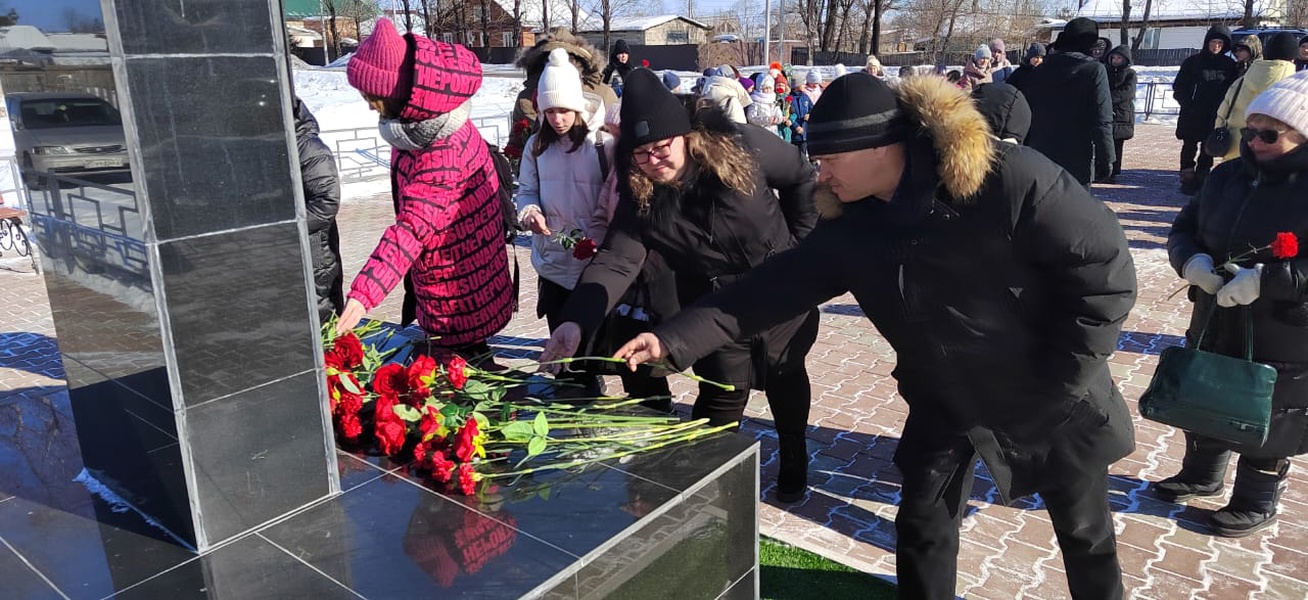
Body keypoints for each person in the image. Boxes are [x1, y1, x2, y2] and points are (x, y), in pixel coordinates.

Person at [613, 72, 1137, 599]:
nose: (820, 173)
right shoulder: (851, 227)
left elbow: (1105, 275)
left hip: (1051, 389)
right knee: (922, 528)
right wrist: (671, 341)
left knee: (1084, 531)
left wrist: (1060, 381)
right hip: (945, 395)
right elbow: (765, 290)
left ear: (881, 148)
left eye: (830, 160)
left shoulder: (1010, 179)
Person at [539, 69, 820, 503]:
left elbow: (801, 177)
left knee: (787, 377)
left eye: (661, 147)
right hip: (712, 308)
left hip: (781, 289)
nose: (653, 161)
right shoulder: (641, 194)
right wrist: (576, 321)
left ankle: (794, 459)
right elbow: (617, 259)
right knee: (722, 396)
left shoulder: (742, 148)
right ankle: (710, 486)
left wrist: (803, 245)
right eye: (640, 153)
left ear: (686, 136)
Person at [1159, 70, 1308, 537]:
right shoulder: (1225, 176)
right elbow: (1184, 228)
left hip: (1283, 329)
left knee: (1267, 413)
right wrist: (1192, 262)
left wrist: (1270, 279)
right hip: (1216, 309)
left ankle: (1256, 499)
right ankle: (1201, 473)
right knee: (1205, 392)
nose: (1256, 142)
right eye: (1251, 131)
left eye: (1270, 134)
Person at [335, 18, 514, 362]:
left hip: (460, 289)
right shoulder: (422, 122)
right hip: (452, 273)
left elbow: (413, 228)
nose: (369, 106)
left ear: (398, 93)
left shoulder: (441, 148)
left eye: (373, 98)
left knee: (468, 374)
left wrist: (363, 294)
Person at [515, 49, 612, 393]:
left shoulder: (602, 144)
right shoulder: (536, 147)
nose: (558, 118)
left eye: (564, 110)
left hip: (592, 257)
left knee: (590, 341)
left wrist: (603, 240)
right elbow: (526, 191)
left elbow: (614, 198)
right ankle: (570, 388)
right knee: (561, 338)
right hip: (553, 259)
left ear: (578, 106)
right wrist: (530, 213)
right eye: (550, 110)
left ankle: (590, 388)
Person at [1009, 17, 1115, 186]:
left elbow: (1024, 110)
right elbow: (1102, 118)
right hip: (1077, 157)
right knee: (1075, 210)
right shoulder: (1094, 70)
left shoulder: (1040, 68)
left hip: (1040, 153)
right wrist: (1107, 158)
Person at [506, 29, 616, 161]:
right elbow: (517, 144)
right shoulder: (526, 98)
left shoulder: (603, 94)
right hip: (543, 172)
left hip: (594, 174)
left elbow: (619, 141)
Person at [292, 97, 344, 323]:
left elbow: (326, 202)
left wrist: (285, 229)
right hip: (287, 251)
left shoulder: (308, 147)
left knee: (321, 312)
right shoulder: (268, 144)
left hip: (315, 252)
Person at [1212, 32, 1300, 161]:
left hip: (1234, 151)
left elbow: (1222, 115)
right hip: (1272, 157)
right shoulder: (1293, 86)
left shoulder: (1241, 81)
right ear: (1293, 57)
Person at [1174, 25, 1237, 195]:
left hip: (1215, 113)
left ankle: (1202, 177)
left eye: (1220, 43)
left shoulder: (1229, 65)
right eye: (1213, 42)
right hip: (1192, 112)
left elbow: (1233, 88)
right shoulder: (1193, 62)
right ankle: (1187, 177)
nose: (1216, 46)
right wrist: (1187, 104)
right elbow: (1179, 86)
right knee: (1189, 145)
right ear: (1207, 42)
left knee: (1208, 148)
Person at [1106, 45, 1137, 180]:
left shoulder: (1130, 73)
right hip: (1106, 111)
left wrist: (1108, 97)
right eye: (1114, 57)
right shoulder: (1106, 71)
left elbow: (1128, 91)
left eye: (1119, 58)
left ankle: (1114, 171)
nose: (1115, 60)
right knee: (1105, 141)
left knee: (1117, 144)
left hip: (1122, 113)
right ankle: (1104, 169)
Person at [789, 75, 815, 159]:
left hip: (805, 132)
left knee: (803, 155)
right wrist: (796, 126)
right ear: (797, 86)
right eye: (803, 84)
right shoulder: (789, 98)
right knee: (794, 155)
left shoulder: (805, 97)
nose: (805, 86)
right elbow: (788, 115)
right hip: (794, 134)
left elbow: (813, 109)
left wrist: (810, 115)